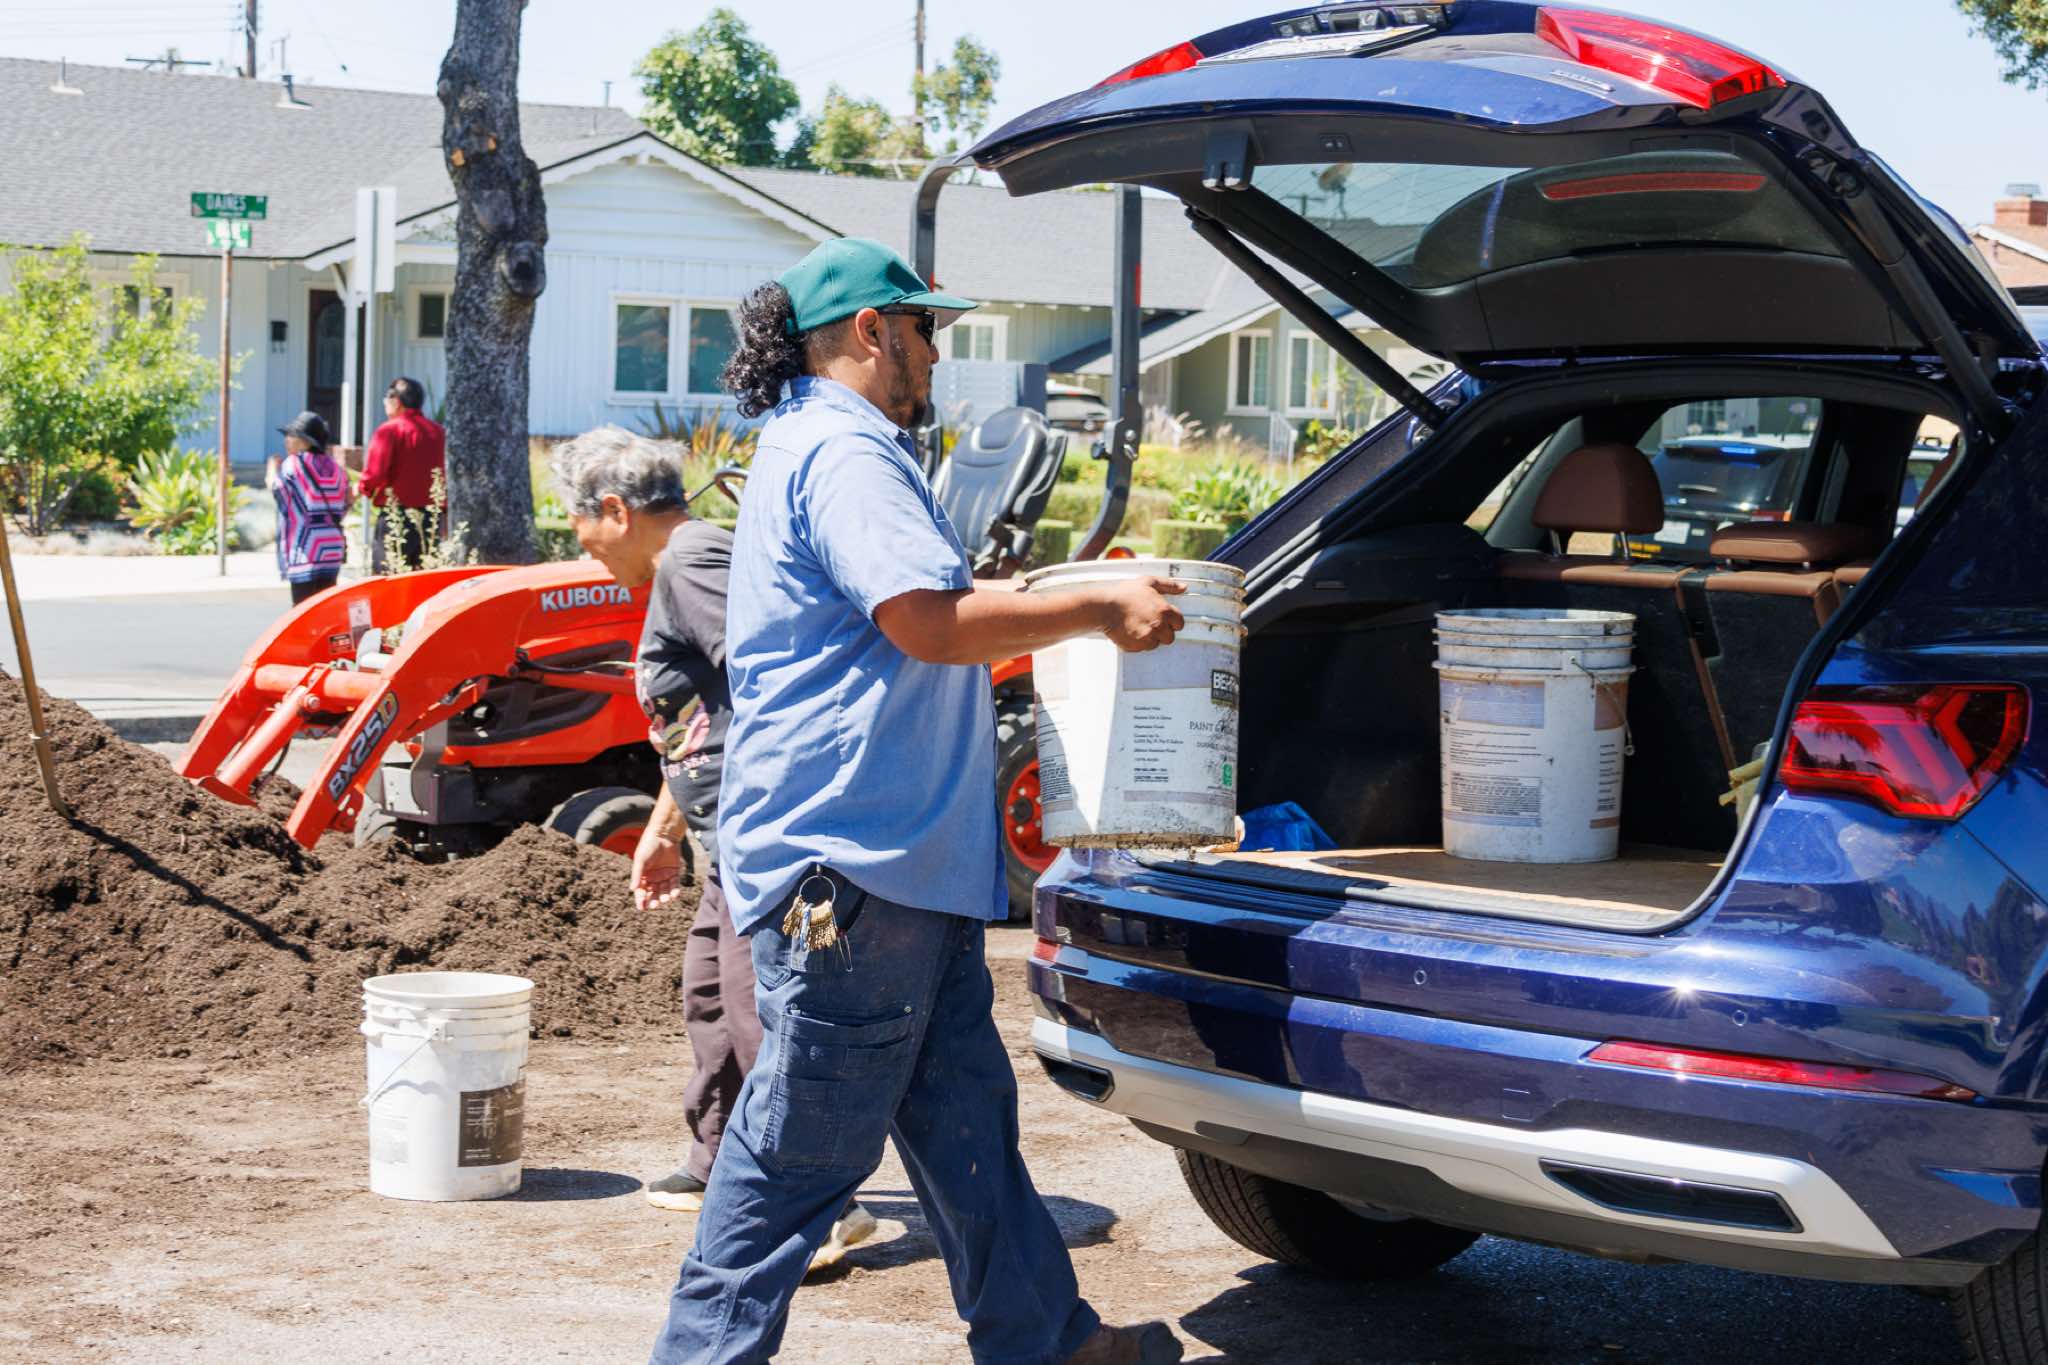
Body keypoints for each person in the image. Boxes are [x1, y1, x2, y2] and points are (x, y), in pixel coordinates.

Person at [649, 237, 1188, 1365]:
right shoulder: (846, 451)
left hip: (892, 868)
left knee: (963, 1120)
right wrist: (1096, 610)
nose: (935, 353)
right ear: (869, 331)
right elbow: (925, 621)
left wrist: (1044, 593)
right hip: (853, 870)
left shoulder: (812, 440)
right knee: (795, 1154)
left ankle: (1044, 1340)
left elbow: (922, 604)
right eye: (924, 328)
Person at [549, 425, 876, 1268]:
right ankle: (721, 1161)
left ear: (614, 510)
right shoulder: (683, 566)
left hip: (765, 838)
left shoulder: (692, 561)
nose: (581, 548)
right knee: (709, 993)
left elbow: (777, 681)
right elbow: (703, 722)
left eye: (577, 526)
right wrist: (665, 830)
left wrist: (773, 828)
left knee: (756, 1011)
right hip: (726, 838)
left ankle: (816, 1206)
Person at [362, 375, 447, 571]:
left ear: (396, 401)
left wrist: (362, 489)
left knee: (388, 576)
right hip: (430, 517)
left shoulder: (389, 430)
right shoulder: (438, 432)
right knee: (423, 578)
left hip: (397, 515)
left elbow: (376, 473)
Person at [265, 410, 349, 605]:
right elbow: (343, 505)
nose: (286, 440)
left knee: (303, 612)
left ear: (305, 440)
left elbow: (278, 491)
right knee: (324, 611)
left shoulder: (294, 464)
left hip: (307, 550)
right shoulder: (336, 468)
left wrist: (271, 469)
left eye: (291, 435)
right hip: (332, 549)